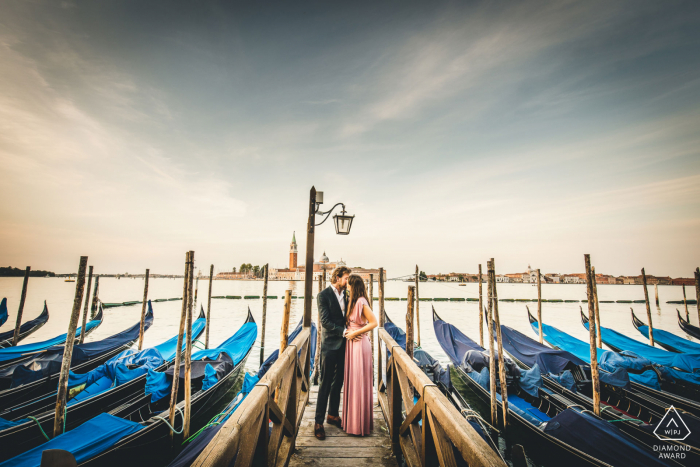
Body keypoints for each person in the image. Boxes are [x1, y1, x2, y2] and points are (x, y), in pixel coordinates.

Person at [314, 266, 352, 440]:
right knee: (325, 383)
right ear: (337, 278)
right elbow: (325, 321)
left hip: (344, 345)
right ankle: (318, 422)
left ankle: (332, 414)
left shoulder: (347, 295)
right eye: (346, 278)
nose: (348, 281)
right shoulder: (323, 296)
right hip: (329, 345)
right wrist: (343, 332)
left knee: (339, 382)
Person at [342, 274, 378, 436]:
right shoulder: (351, 301)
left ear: (353, 286)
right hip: (352, 344)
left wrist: (356, 332)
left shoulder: (361, 302)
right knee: (352, 382)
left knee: (359, 382)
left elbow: (374, 322)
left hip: (359, 344)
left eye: (348, 284)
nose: (346, 286)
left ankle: (359, 425)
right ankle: (352, 423)